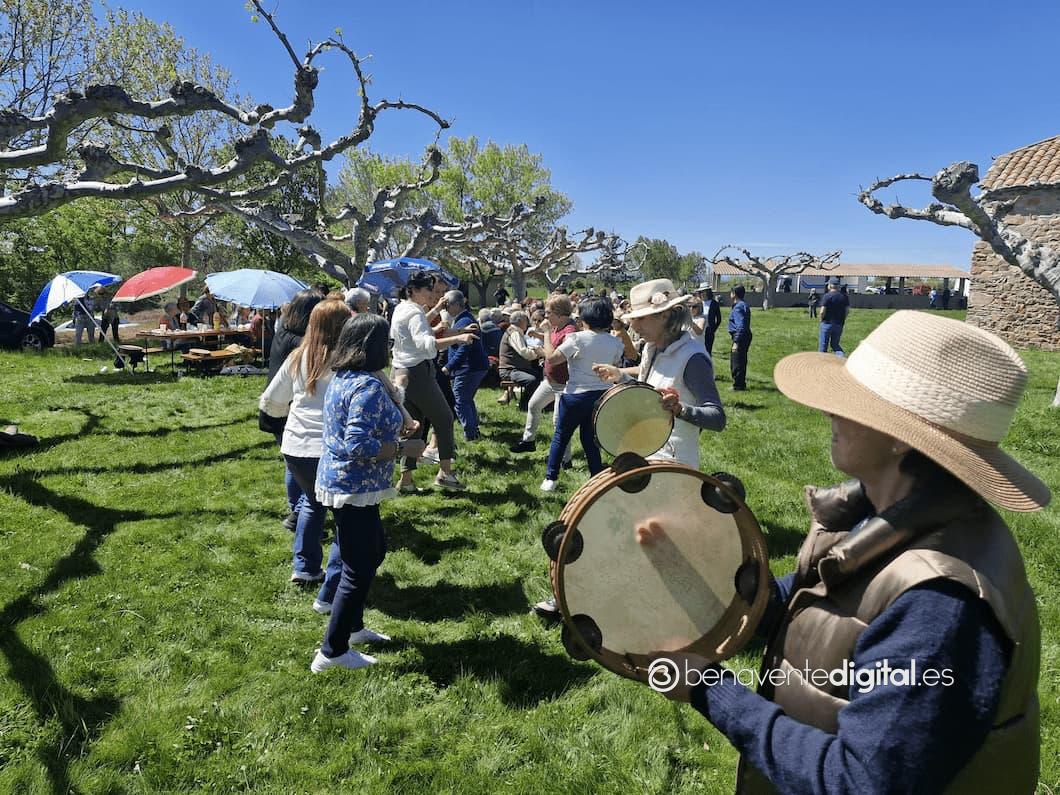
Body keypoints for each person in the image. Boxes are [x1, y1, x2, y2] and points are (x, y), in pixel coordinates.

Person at [658, 311, 1048, 794]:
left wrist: (709, 690)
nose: (830, 412)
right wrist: (686, 561)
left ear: (900, 438)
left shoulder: (941, 607)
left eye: (852, 403)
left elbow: (862, 782)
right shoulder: (878, 516)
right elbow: (800, 609)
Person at [310, 314, 407, 672]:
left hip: (348, 485)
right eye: (387, 342)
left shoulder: (347, 377)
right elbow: (358, 445)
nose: (391, 348)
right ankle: (332, 652)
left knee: (372, 551)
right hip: (353, 486)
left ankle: (353, 629)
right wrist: (400, 449)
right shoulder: (366, 386)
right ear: (373, 346)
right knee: (358, 567)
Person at [259, 299, 351, 584]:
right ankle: (339, 577)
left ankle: (305, 568)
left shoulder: (298, 357)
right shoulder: (348, 361)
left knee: (313, 502)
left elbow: (271, 400)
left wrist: (286, 418)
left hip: (296, 448)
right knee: (345, 512)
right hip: (330, 448)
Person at [593, 278, 726, 467]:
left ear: (664, 316)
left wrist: (680, 409)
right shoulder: (652, 347)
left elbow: (717, 418)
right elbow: (649, 390)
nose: (633, 326)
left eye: (641, 318)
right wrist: (620, 375)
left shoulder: (693, 358)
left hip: (674, 464)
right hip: (645, 452)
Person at [391, 271, 477, 493]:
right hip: (418, 373)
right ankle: (445, 473)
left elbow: (418, 330)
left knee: (413, 425)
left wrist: (438, 315)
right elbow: (427, 345)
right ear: (414, 290)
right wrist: (458, 338)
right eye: (429, 289)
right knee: (445, 418)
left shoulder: (402, 308)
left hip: (401, 371)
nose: (433, 293)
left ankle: (406, 480)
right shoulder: (414, 313)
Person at [539, 297, 624, 492]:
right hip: (602, 395)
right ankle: (596, 476)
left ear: (585, 317)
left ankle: (551, 478)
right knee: (590, 439)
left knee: (561, 435)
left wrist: (546, 333)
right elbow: (614, 367)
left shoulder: (576, 338)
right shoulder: (615, 342)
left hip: (576, 395)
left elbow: (552, 358)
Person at [268, 290, 325, 531]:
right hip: (291, 407)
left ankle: (296, 511)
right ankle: (298, 515)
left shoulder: (283, 330)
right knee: (302, 468)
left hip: (278, 405)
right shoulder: (301, 343)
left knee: (292, 465)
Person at [510, 295, 576, 466]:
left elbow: (554, 356)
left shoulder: (570, 331)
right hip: (550, 381)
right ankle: (529, 441)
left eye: (548, 313)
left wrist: (544, 338)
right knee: (534, 405)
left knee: (558, 422)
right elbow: (553, 344)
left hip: (564, 384)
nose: (545, 317)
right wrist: (540, 336)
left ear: (560, 314)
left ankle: (565, 459)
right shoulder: (557, 326)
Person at [442, 290, 489, 441]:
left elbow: (463, 350)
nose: (445, 309)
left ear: (456, 305)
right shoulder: (465, 319)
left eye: (447, 305)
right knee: (466, 399)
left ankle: (471, 434)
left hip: (469, 368)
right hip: (474, 366)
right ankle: (474, 430)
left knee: (460, 400)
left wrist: (449, 367)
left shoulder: (464, 321)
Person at [498, 310, 544, 410]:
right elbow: (524, 352)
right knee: (532, 380)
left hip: (517, 368)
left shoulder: (516, 332)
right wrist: (538, 354)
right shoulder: (514, 333)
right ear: (520, 321)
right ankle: (524, 405)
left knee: (541, 375)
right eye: (526, 320)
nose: (527, 322)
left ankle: (540, 404)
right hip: (509, 370)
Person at [727, 285, 752, 391]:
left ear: (734, 294)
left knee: (736, 361)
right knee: (741, 360)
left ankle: (738, 385)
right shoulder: (743, 304)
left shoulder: (738, 307)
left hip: (740, 336)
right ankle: (740, 384)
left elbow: (740, 326)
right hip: (745, 335)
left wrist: (736, 342)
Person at [818, 280, 850, 357]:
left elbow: (822, 311)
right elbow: (847, 311)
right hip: (839, 324)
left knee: (823, 346)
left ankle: (822, 361)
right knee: (835, 345)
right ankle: (841, 357)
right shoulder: (844, 297)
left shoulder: (827, 296)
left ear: (830, 286)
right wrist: (843, 319)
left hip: (827, 323)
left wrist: (821, 319)